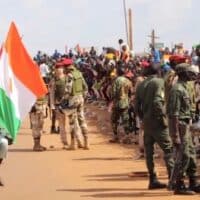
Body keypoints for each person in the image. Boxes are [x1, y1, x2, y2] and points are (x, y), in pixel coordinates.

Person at [135, 63, 174, 190]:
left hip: (147, 122)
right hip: (158, 122)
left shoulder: (141, 84)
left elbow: (136, 106)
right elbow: (158, 102)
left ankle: (153, 179)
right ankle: (172, 179)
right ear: (158, 72)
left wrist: (143, 118)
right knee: (168, 150)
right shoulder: (159, 82)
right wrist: (164, 118)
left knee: (149, 153)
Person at [167, 63, 200, 195]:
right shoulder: (177, 89)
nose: (192, 74)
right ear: (183, 73)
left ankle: (193, 182)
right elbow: (173, 114)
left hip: (186, 125)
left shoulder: (186, 87)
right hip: (179, 125)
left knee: (191, 154)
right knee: (184, 155)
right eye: (189, 72)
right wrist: (175, 136)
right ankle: (178, 185)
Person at [61, 59, 89, 150]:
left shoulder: (70, 75)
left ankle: (73, 144)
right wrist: (82, 97)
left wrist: (63, 100)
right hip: (80, 98)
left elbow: (68, 90)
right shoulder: (79, 73)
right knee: (82, 120)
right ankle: (86, 142)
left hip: (72, 100)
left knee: (72, 122)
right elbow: (85, 87)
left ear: (66, 67)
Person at [109, 61, 132, 143]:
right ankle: (127, 137)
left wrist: (111, 100)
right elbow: (130, 92)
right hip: (125, 103)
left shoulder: (116, 80)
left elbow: (113, 92)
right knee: (126, 120)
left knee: (114, 120)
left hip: (117, 103)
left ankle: (116, 136)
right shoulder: (128, 81)